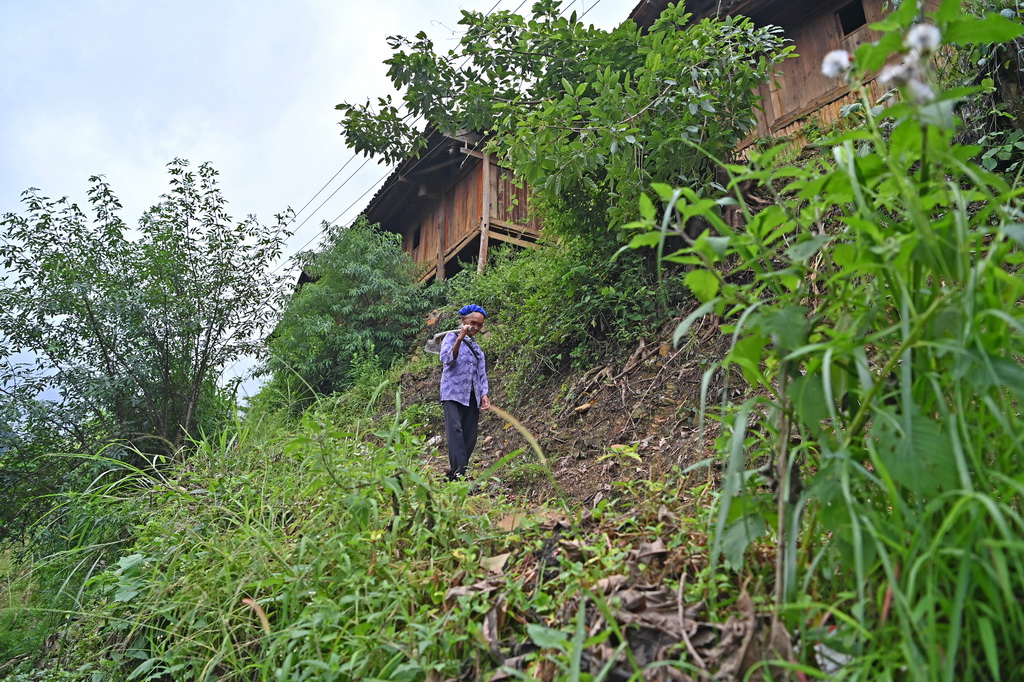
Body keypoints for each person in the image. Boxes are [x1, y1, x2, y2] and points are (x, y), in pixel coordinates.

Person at [439, 304, 491, 480]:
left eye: (480, 325)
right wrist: (459, 339)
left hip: (471, 396)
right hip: (452, 393)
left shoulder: (477, 349)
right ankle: (459, 475)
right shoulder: (450, 337)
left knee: (470, 436)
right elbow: (447, 359)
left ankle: (455, 474)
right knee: (455, 431)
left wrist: (484, 394)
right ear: (463, 321)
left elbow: (481, 373)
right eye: (473, 323)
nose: (476, 328)